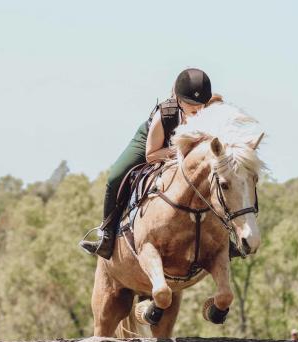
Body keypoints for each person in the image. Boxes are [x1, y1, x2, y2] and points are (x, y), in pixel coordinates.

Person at [79, 68, 218, 259]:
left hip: (183, 151)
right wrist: (180, 151)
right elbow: (151, 155)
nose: (197, 109)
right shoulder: (166, 114)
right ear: (178, 99)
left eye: (201, 104)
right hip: (151, 143)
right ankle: (107, 234)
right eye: (190, 103)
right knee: (115, 177)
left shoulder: (210, 111)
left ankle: (228, 236)